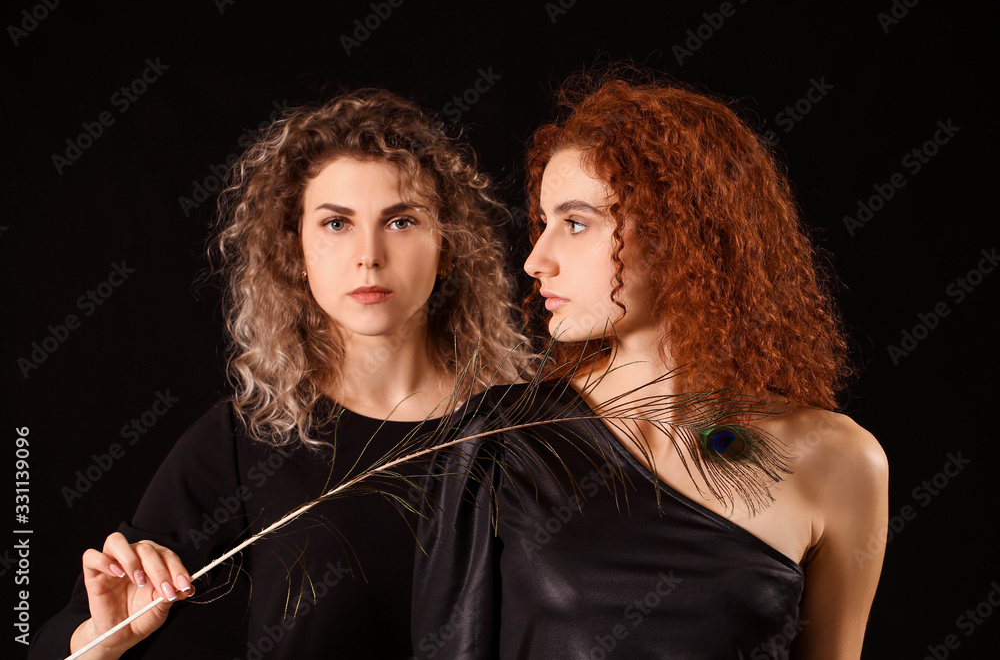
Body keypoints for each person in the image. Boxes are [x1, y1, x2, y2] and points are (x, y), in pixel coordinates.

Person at [30, 88, 530, 659]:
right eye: (336, 223)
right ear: (295, 248)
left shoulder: (526, 433)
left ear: (448, 241)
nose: (369, 254)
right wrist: (104, 638)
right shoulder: (249, 440)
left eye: (401, 221)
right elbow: (53, 645)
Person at [412, 76, 889, 659]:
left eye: (577, 222)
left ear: (680, 230)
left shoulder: (839, 460)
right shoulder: (501, 439)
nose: (537, 260)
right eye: (544, 223)